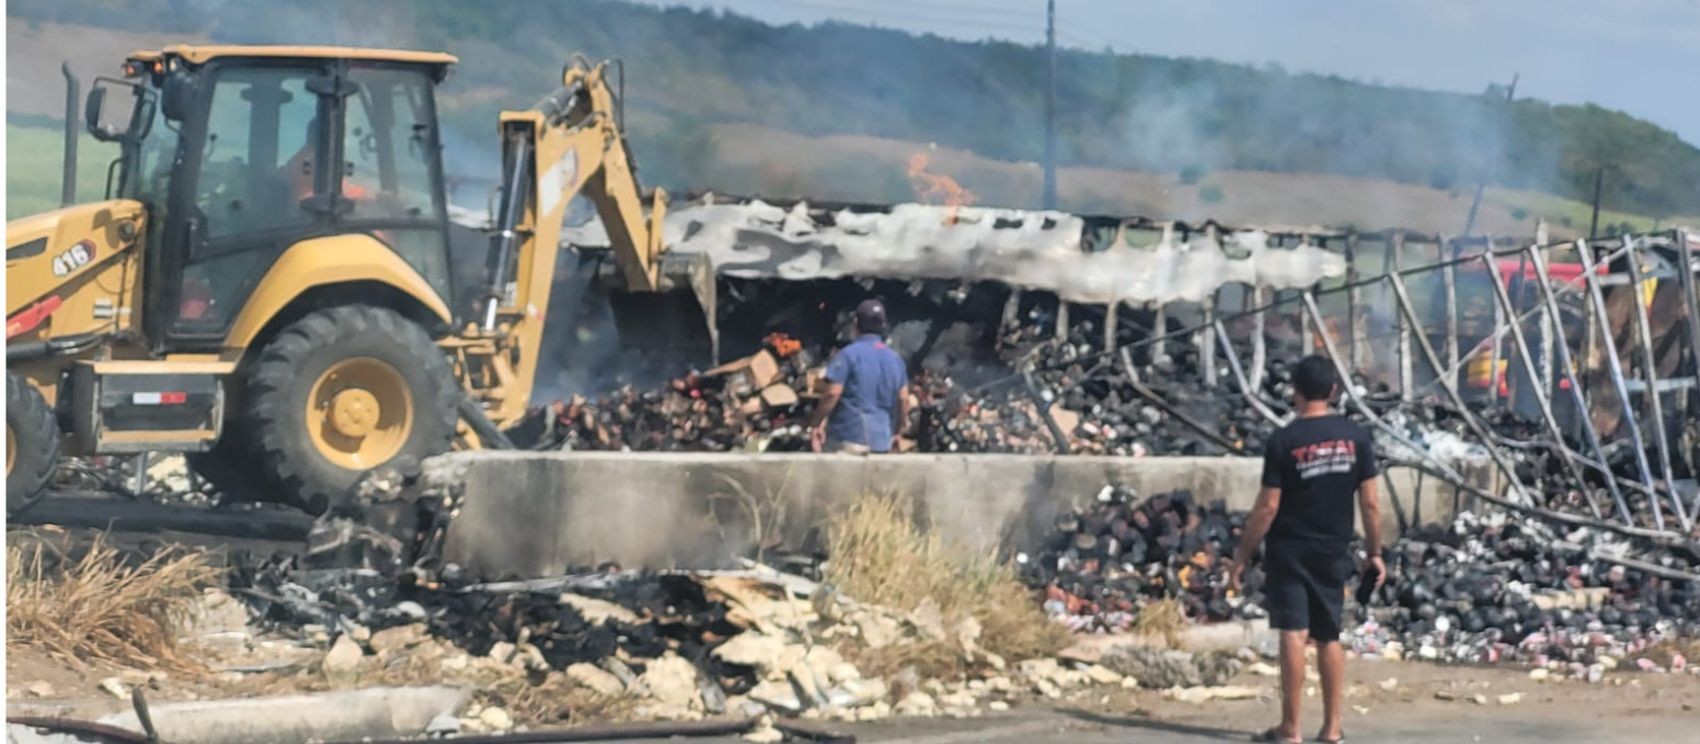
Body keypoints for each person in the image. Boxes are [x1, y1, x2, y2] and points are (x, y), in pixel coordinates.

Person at [1230, 355, 1384, 744]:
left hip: (1290, 549)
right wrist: (1375, 552)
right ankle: (1332, 729)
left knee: (1294, 633)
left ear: (1295, 392)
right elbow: (1370, 502)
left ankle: (1291, 729)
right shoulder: (1356, 437)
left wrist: (1242, 555)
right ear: (1333, 391)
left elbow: (1267, 507)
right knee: (1329, 635)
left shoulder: (1284, 440)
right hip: (1334, 548)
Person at [808, 299, 910, 454]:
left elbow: (833, 392)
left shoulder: (848, 355)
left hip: (847, 438)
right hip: (881, 441)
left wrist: (816, 423)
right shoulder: (896, 359)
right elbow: (903, 399)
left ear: (856, 324)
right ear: (883, 325)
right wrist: (898, 431)